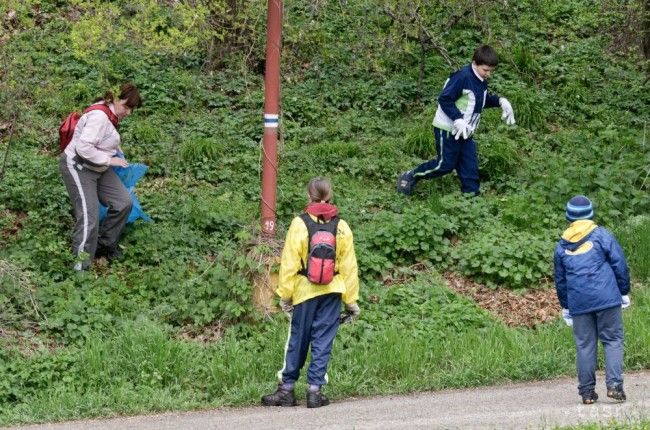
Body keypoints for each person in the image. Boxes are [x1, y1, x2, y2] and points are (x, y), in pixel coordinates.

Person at [262, 177, 360, 408]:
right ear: (330, 195)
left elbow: (289, 263)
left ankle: (286, 390)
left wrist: (285, 294)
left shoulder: (300, 223)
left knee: (297, 339)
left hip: (304, 292)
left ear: (309, 195)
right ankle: (315, 391)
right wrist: (351, 301)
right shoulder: (342, 226)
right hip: (332, 292)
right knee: (322, 340)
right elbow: (349, 266)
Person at [397, 44, 515, 196]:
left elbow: (479, 101)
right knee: (444, 165)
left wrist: (500, 101)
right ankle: (411, 175)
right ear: (474, 63)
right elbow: (445, 99)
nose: (488, 74)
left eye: (491, 71)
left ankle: (471, 198)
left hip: (466, 131)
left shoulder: (481, 79)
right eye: (485, 70)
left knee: (470, 166)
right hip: (448, 129)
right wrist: (457, 119)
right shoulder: (462, 77)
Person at [553, 195, 631, 405]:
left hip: (579, 302)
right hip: (607, 298)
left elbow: (560, 280)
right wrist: (624, 291)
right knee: (612, 340)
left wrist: (566, 306)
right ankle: (614, 386)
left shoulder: (561, 246)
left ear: (569, 218)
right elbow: (619, 264)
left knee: (585, 345)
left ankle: (587, 392)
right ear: (590, 214)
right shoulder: (602, 236)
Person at [59, 83, 142, 271]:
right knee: (89, 217)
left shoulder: (111, 116)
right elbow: (83, 147)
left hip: (97, 166)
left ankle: (104, 244)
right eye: (126, 107)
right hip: (78, 166)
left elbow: (103, 140)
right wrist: (109, 160)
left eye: (132, 109)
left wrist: (116, 153)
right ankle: (80, 267)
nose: (128, 113)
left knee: (123, 202)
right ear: (115, 99)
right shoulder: (99, 116)